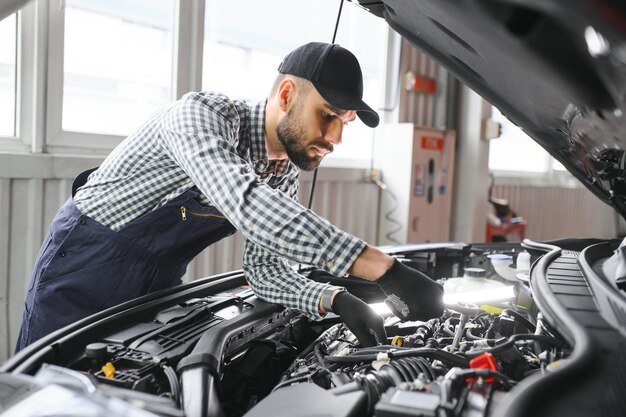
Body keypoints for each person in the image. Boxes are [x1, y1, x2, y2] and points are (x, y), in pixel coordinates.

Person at [17, 42, 443, 351]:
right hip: (84, 266)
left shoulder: (280, 174)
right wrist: (385, 270)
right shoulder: (202, 117)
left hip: (159, 280)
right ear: (287, 95)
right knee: (50, 390)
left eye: (344, 123)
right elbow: (248, 204)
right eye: (328, 115)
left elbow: (264, 273)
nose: (334, 138)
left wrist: (334, 298)